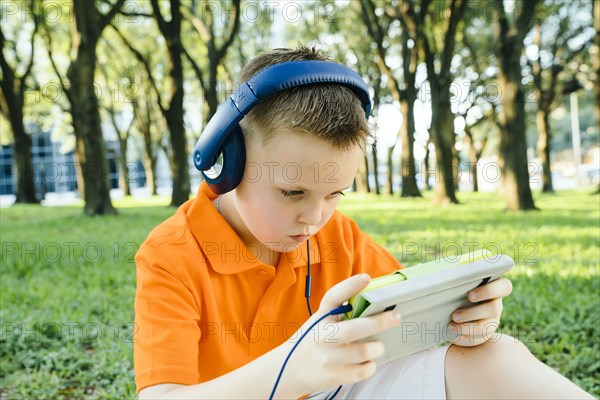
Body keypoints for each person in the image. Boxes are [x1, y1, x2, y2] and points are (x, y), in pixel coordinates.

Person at [134, 46, 594, 399]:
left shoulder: (340, 235)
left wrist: (460, 321)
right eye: (292, 192)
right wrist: (293, 366)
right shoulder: (171, 254)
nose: (315, 218)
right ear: (226, 163)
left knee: (497, 356)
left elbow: (406, 331)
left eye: (335, 194)